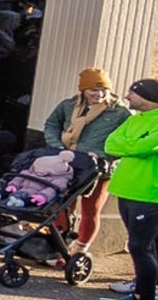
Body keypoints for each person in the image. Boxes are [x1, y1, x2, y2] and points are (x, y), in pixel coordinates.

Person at [43, 68, 126, 261]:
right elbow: (52, 125)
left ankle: (80, 250)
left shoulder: (120, 112)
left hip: (98, 168)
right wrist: (56, 147)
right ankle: (57, 248)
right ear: (83, 90)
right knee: (63, 207)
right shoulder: (68, 106)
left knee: (91, 209)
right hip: (66, 163)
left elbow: (124, 140)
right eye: (93, 90)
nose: (99, 95)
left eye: (104, 90)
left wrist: (104, 155)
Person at [99, 79, 158, 300]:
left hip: (148, 193)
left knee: (139, 247)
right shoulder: (134, 120)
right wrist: (134, 145)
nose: (126, 97)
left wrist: (130, 145)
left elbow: (145, 146)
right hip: (125, 189)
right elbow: (110, 143)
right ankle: (138, 296)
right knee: (141, 246)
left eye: (133, 93)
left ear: (149, 97)